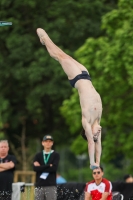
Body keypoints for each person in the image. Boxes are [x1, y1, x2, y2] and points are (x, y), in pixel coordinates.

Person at [36, 28, 102, 170]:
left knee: (59, 56)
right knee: (64, 55)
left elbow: (92, 143)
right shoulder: (98, 119)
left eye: (96, 135)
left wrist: (92, 163)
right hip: (86, 75)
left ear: (88, 131)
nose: (99, 133)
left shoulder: (88, 120)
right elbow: (99, 146)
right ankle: (45, 40)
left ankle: (45, 41)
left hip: (77, 79)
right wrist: (98, 161)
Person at [33, 134, 60, 200]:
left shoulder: (55, 155)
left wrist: (41, 167)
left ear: (52, 143)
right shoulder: (38, 155)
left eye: (50, 141)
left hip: (51, 185)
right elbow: (35, 168)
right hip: (39, 184)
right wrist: (48, 166)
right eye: (46, 141)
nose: (48, 143)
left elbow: (54, 168)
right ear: (43, 143)